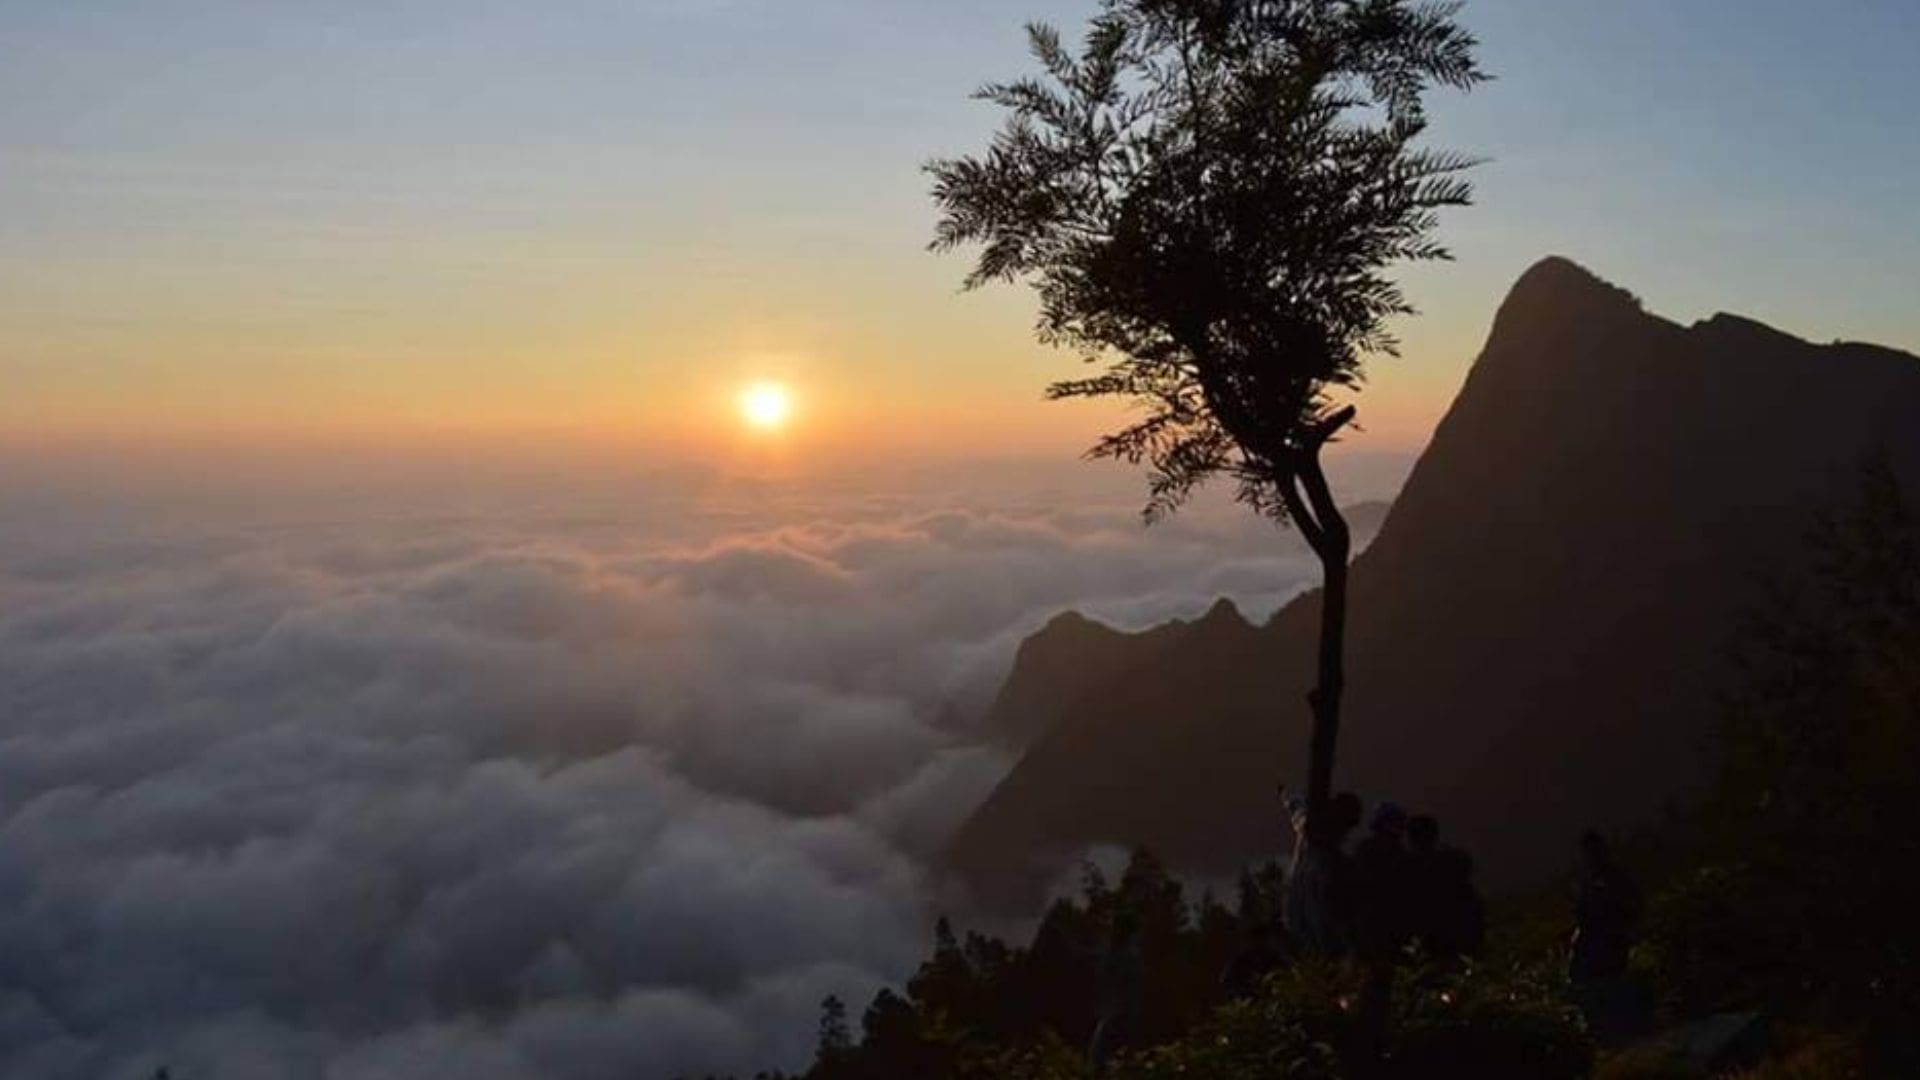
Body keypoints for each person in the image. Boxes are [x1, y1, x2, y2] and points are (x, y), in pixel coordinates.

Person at [1569, 830, 1649, 1045]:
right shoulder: (1588, 883)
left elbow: (1634, 910)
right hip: (1593, 950)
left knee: (1610, 995)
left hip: (1609, 948)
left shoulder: (1615, 880)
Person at [1281, 788, 1362, 956]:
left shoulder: (1309, 829)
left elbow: (1296, 808)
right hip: (1314, 926)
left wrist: (1286, 797)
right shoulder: (1331, 859)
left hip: (1301, 914)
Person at [1088, 907, 1143, 1072]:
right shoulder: (1126, 955)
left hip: (1118, 1017)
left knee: (1100, 1061)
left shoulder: (1123, 956)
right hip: (1121, 1015)